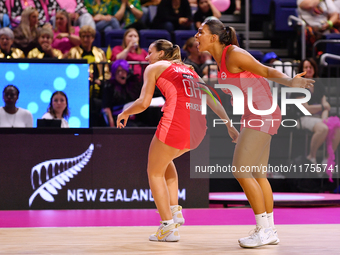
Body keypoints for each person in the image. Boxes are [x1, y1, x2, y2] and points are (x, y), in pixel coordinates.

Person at [195, 18, 315, 248]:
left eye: (201, 31)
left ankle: (263, 230)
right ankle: (270, 229)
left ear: (213, 37)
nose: (196, 35)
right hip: (254, 114)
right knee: (259, 174)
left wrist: (289, 82)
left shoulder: (234, 54)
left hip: (262, 113)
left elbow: (265, 70)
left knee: (240, 170)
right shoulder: (220, 60)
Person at [117, 39, 239, 242]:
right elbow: (212, 100)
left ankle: (167, 227)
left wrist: (125, 112)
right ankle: (175, 213)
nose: (146, 57)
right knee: (165, 162)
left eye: (150, 53)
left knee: (154, 172)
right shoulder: (189, 70)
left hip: (176, 124)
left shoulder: (155, 68)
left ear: (162, 55)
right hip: (199, 130)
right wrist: (229, 125)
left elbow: (143, 103)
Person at [295, 58, 338, 168]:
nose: (309, 69)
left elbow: (326, 108)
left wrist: (324, 118)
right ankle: (312, 157)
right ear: (301, 70)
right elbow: (307, 109)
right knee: (323, 128)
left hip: (318, 117)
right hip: (303, 118)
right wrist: (323, 107)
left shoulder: (319, 85)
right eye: (306, 67)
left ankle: (328, 159)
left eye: (311, 67)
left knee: (337, 127)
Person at [102, 59, 141, 127]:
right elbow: (106, 108)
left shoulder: (133, 86)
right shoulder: (109, 86)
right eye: (118, 71)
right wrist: (112, 126)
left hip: (133, 118)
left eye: (123, 70)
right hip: (118, 118)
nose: (120, 73)